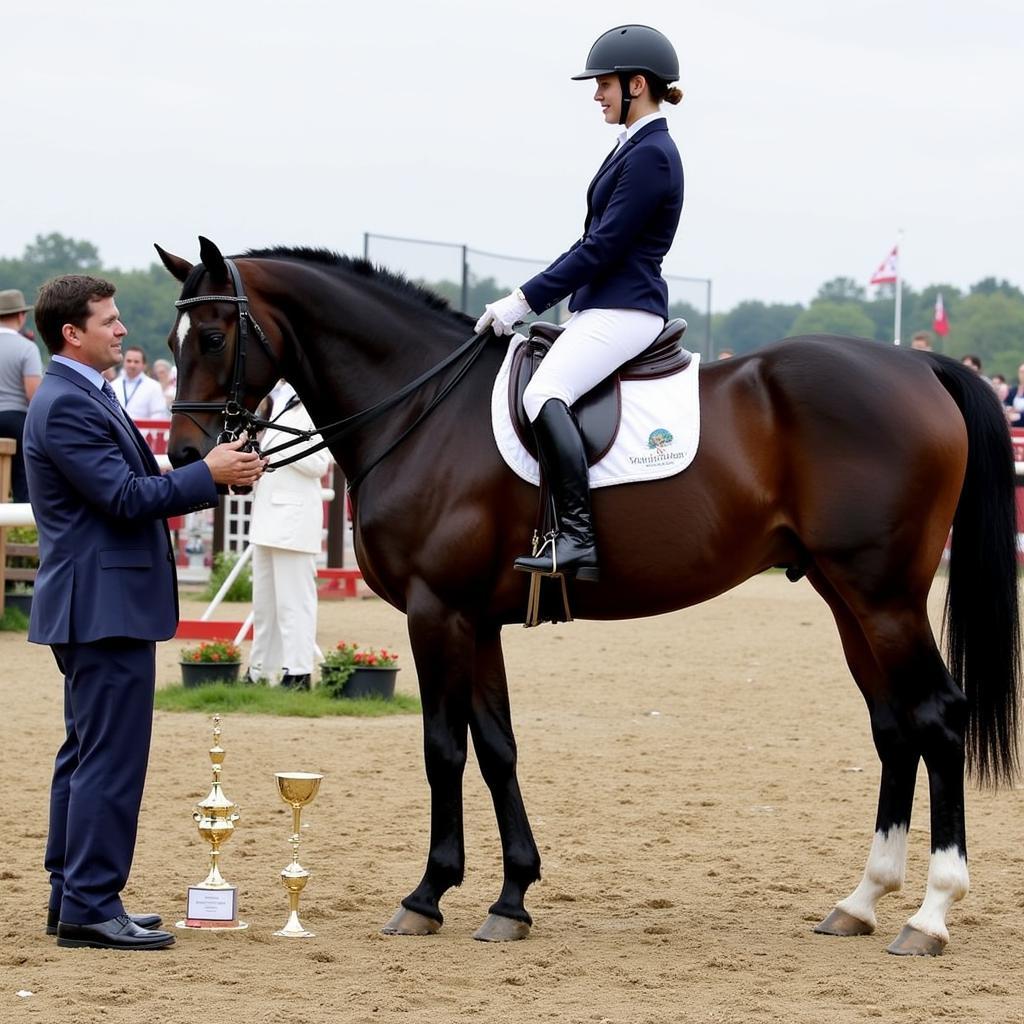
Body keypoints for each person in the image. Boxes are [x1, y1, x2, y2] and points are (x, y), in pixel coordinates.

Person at [24, 274, 266, 951]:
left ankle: (72, 895)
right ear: (73, 333)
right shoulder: (69, 404)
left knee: (85, 755)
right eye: (110, 319)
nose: (123, 329)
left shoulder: (80, 394)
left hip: (99, 603)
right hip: (104, 606)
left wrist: (219, 472)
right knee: (109, 761)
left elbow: (134, 488)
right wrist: (207, 474)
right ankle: (91, 905)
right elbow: (124, 497)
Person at [475, 24, 683, 581]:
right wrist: (522, 298)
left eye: (605, 84)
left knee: (544, 392)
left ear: (637, 84)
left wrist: (523, 303)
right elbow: (589, 241)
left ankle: (577, 539)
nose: (597, 95)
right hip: (603, 305)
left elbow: (604, 247)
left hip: (626, 307)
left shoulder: (652, 155)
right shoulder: (632, 150)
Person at [246, 381, 332, 689]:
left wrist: (275, 452)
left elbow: (320, 463)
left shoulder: (313, 403)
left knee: (294, 604)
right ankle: (260, 670)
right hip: (266, 516)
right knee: (265, 605)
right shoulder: (277, 402)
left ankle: (298, 671)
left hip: (294, 519)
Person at [0, 288, 43, 502]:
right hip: (16, 418)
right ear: (20, 315)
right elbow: (32, 392)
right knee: (22, 479)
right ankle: (20, 528)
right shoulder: (27, 348)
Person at [115, 345, 170, 421]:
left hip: (143, 431)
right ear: (123, 362)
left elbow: (158, 414)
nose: (132, 365)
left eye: (136, 362)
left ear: (144, 365)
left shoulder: (154, 386)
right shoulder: (113, 385)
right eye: (129, 361)